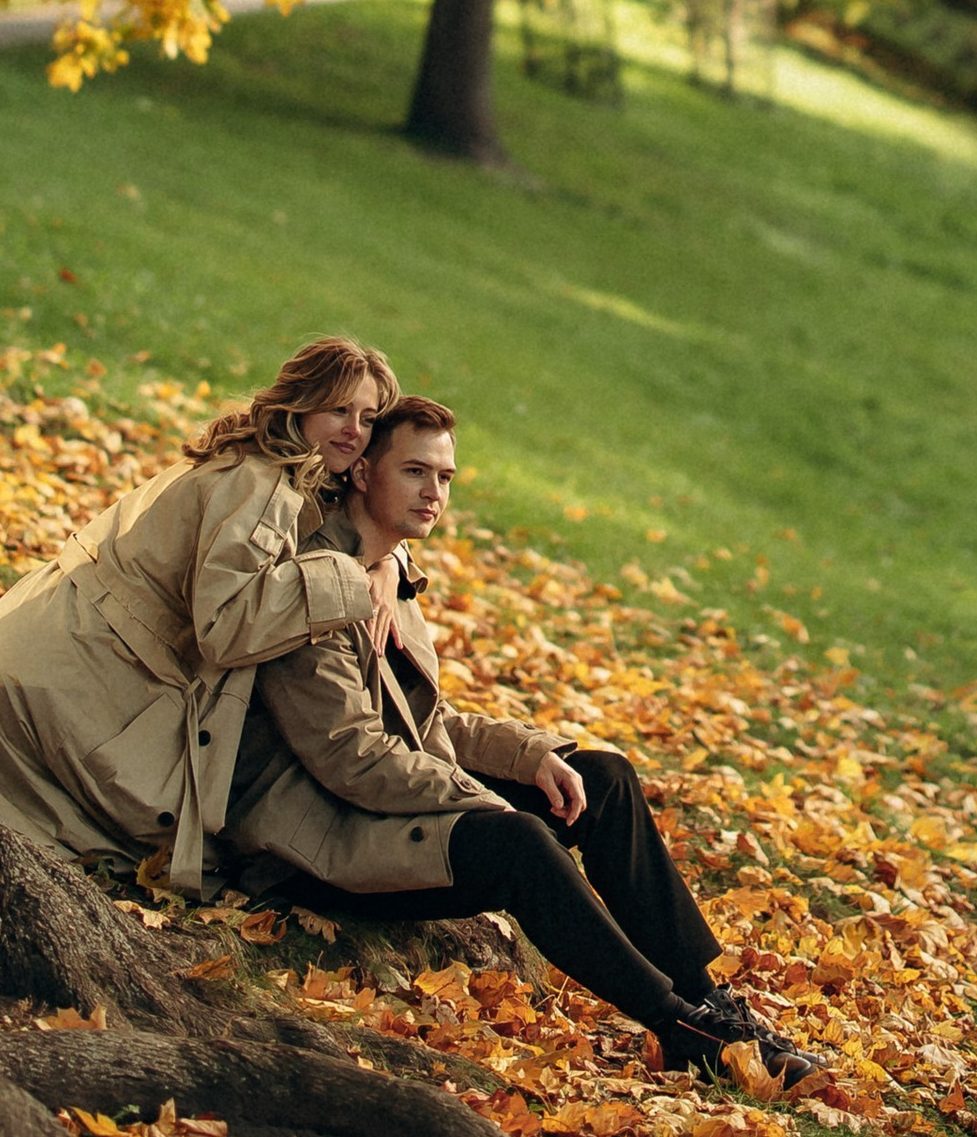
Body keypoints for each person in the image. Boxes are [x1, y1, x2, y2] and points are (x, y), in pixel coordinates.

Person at [226, 395, 819, 1091]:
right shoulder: (319, 587)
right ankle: (681, 1030)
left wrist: (535, 756)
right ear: (360, 473)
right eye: (415, 471)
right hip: (318, 842)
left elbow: (431, 721)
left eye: (445, 477)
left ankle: (711, 1002)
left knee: (602, 777)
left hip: (388, 801)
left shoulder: (389, 570)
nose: (434, 492)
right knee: (521, 843)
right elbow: (349, 755)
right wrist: (485, 803)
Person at [0, 336, 411, 897]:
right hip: (67, 677)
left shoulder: (278, 463)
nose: (354, 429)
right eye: (338, 410)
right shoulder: (256, 484)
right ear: (300, 405)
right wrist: (351, 577)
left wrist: (389, 559)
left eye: (369, 417)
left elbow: (372, 505)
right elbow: (226, 626)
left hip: (62, 648)